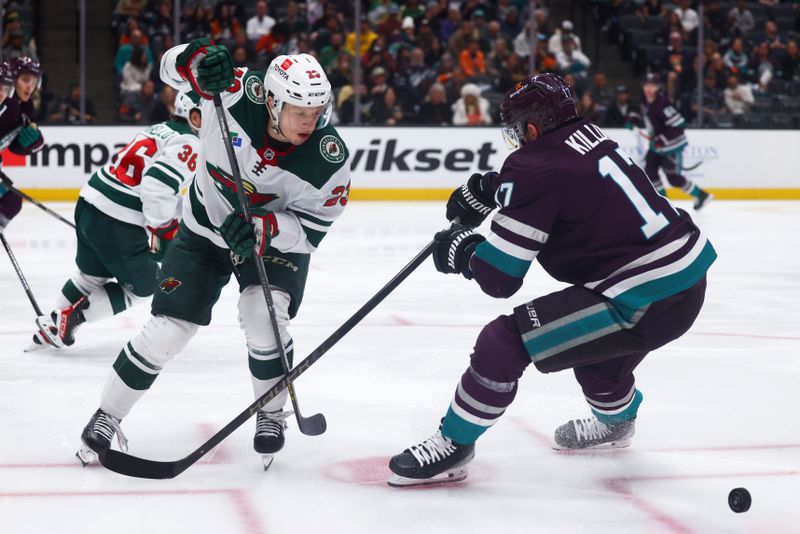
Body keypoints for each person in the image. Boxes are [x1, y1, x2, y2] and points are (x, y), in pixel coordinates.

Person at [387, 73, 716, 487]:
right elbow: (563, 177)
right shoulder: (588, 134)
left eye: (517, 132)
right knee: (598, 363)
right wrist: (492, 188)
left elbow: (500, 276)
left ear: (531, 128)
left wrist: (463, 251)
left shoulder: (533, 167)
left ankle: (455, 444)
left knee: (503, 341)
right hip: (685, 283)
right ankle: (616, 423)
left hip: (641, 296)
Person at [75, 39, 350, 469]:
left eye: (316, 111)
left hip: (269, 244)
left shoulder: (328, 159)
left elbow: (313, 231)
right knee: (167, 329)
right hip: (204, 231)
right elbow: (168, 69)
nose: (309, 121)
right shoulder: (234, 91)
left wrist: (264, 229)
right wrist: (195, 60)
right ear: (273, 101)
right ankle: (106, 416)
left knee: (263, 316)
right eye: (299, 111)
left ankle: (271, 414)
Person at [28, 92, 201, 350]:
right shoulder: (191, 143)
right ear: (195, 116)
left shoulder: (159, 129)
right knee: (145, 287)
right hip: (120, 219)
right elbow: (157, 186)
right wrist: (163, 231)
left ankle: (53, 326)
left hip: (90, 201)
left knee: (89, 276)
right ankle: (73, 317)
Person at [628, 73, 712, 210]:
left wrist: (662, 139)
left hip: (673, 145)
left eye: (653, 85)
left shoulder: (663, 103)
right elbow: (640, 112)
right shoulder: (644, 99)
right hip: (657, 146)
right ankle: (663, 202)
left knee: (673, 178)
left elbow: (680, 124)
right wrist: (632, 119)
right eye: (647, 85)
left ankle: (701, 195)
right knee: (650, 171)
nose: (649, 88)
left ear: (657, 87)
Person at [0, 58, 46, 232]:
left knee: (12, 201)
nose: (30, 86)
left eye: (34, 82)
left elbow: (16, 147)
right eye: (26, 80)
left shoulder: (24, 108)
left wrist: (33, 142)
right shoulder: (8, 105)